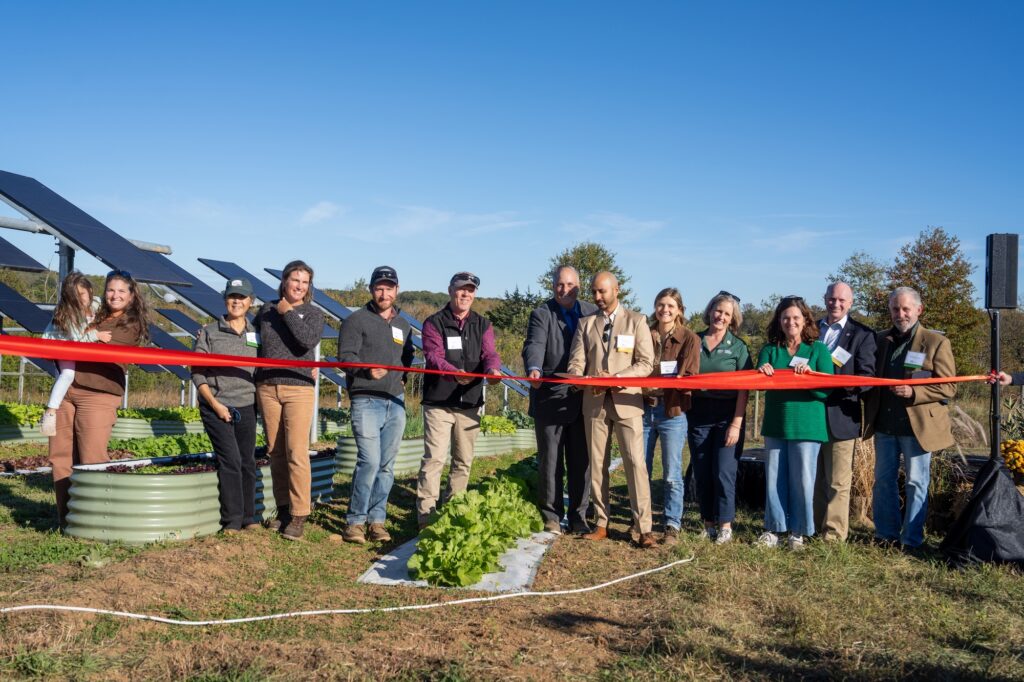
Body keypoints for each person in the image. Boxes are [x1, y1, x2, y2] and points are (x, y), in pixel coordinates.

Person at [48, 270, 150, 527]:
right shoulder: (94, 314)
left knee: (92, 458)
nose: (115, 295)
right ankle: (66, 519)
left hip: (98, 395)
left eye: (121, 291)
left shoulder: (130, 323)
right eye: (110, 290)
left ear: (131, 295)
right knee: (60, 457)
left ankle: (96, 522)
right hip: (67, 391)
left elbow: (93, 348)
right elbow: (67, 334)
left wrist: (78, 336)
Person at [566, 271, 657, 548]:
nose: (597, 297)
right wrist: (582, 380)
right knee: (597, 466)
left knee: (636, 464)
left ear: (616, 291)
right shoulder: (585, 324)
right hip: (594, 405)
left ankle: (644, 529)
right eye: (594, 292)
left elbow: (646, 363)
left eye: (602, 292)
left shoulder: (637, 321)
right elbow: (575, 363)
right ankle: (602, 523)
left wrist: (618, 379)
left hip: (628, 402)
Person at [864, 287, 956, 550]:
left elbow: (949, 387)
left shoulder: (936, 342)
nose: (900, 314)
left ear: (919, 309)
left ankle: (912, 540)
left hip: (917, 428)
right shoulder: (880, 340)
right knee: (883, 481)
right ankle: (886, 535)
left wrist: (914, 392)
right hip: (884, 424)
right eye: (895, 309)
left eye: (905, 309)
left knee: (917, 482)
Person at [416, 271, 502, 528]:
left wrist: (493, 371)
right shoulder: (434, 322)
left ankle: (453, 511)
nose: (466, 294)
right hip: (439, 403)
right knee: (434, 460)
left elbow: (490, 354)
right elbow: (433, 355)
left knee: (463, 461)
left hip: (470, 403)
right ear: (451, 290)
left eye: (471, 290)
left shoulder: (483, 324)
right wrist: (454, 373)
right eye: (461, 289)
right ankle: (426, 517)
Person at [338, 266, 415, 544]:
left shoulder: (402, 324)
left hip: (395, 402)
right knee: (369, 461)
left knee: (386, 465)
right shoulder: (355, 320)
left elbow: (408, 355)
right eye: (379, 288)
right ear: (372, 290)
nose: (384, 293)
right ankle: (355, 521)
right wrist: (366, 371)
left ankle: (377, 520)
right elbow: (345, 357)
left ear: (396, 290)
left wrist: (403, 378)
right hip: (366, 399)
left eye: (389, 288)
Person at [522, 265, 598, 535]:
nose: (564, 290)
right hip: (550, 398)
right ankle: (551, 515)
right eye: (559, 285)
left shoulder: (592, 312)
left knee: (581, 462)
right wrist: (534, 368)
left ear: (578, 285)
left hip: (583, 400)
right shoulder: (542, 314)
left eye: (569, 285)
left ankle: (579, 515)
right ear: (553, 286)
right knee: (551, 461)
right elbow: (535, 344)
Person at [756, 295, 833, 550]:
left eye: (796, 318)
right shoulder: (770, 350)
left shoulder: (818, 350)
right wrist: (763, 372)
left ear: (805, 320)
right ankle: (774, 528)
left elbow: (826, 391)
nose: (791, 322)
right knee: (774, 478)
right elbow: (757, 382)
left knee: (803, 480)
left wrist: (810, 379)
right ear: (779, 320)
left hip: (807, 426)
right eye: (786, 317)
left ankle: (798, 532)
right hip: (777, 423)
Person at [255, 260, 325, 541]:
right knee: (275, 451)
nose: (299, 285)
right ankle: (282, 509)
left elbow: (306, 340)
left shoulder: (312, 313)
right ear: (284, 281)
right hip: (268, 386)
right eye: (295, 280)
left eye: (304, 282)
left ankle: (299, 514)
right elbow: (252, 340)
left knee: (297, 451)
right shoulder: (265, 310)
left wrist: (288, 312)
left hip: (299, 389)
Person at [191, 278, 260, 534]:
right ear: (225, 300)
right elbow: (197, 372)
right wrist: (215, 404)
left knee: (247, 462)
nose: (236, 301)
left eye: (242, 297)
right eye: (232, 296)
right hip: (217, 405)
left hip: (247, 405)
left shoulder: (256, 334)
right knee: (230, 460)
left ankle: (249, 518)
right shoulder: (209, 332)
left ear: (250, 302)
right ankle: (231, 521)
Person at [812, 282, 877, 543]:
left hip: (842, 416)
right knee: (815, 479)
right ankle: (813, 528)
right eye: (831, 299)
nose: (835, 304)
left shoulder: (862, 334)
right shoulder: (811, 329)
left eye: (841, 300)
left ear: (850, 303)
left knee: (838, 482)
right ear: (824, 299)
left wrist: (841, 382)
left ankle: (834, 535)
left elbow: (868, 377)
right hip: (810, 414)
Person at [688, 291, 751, 545]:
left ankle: (725, 525)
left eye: (727, 314)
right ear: (710, 311)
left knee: (724, 471)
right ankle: (708, 523)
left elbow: (745, 388)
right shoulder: (695, 340)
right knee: (702, 472)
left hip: (728, 416)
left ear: (732, 318)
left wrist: (736, 423)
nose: (721, 317)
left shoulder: (738, 347)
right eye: (718, 311)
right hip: (698, 414)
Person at [641, 287, 699, 545]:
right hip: (642, 408)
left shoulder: (690, 339)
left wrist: (666, 383)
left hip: (671, 412)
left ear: (679, 310)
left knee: (671, 473)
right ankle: (640, 522)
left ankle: (672, 525)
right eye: (660, 305)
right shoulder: (642, 332)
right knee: (639, 468)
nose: (665, 310)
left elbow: (689, 377)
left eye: (670, 306)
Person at [39, 272, 112, 436]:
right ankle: (50, 414)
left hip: (74, 344)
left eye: (82, 294)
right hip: (58, 344)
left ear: (90, 291)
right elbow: (78, 339)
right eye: (73, 297)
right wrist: (97, 335)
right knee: (67, 375)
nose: (79, 300)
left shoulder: (97, 304)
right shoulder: (68, 313)